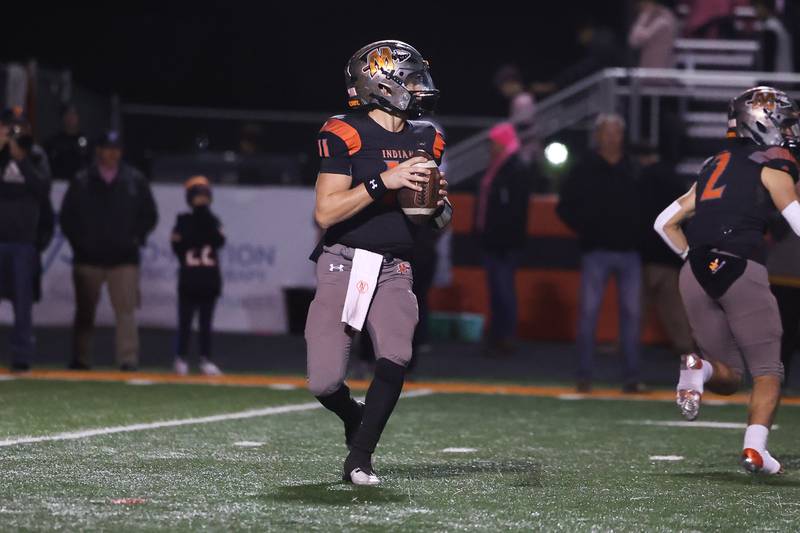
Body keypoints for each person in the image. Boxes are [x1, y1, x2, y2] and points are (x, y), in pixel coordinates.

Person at [306, 40, 450, 486]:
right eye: (407, 77)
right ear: (379, 83)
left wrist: (439, 207)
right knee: (324, 383)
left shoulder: (428, 135)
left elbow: (438, 218)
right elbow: (325, 213)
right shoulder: (344, 131)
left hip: (395, 265)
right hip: (343, 261)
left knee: (396, 353)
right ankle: (354, 416)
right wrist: (383, 180)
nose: (417, 86)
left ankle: (360, 457)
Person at [654, 86, 800, 474]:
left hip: (694, 271)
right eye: (785, 122)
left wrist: (694, 258)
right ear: (763, 122)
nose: (789, 130)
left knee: (730, 376)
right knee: (769, 371)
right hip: (739, 266)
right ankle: (755, 450)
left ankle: (697, 368)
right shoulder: (774, 163)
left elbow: (664, 223)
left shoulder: (712, 164)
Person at [557, 114, 642, 393]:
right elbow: (564, 205)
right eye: (607, 132)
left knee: (631, 315)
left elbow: (648, 204)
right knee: (589, 314)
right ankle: (584, 375)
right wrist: (586, 228)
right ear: (598, 135)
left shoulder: (633, 167)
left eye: (616, 132)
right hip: (596, 251)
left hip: (630, 251)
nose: (611, 137)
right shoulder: (584, 168)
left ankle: (631, 377)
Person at [60, 131, 158, 371]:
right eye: (108, 148)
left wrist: (135, 238)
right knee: (85, 312)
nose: (113, 153)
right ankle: (81, 358)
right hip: (88, 257)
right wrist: (80, 243)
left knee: (126, 311)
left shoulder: (135, 179)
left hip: (124, 258)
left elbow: (150, 215)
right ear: (98, 151)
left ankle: (128, 359)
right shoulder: (82, 179)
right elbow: (67, 217)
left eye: (116, 148)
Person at [0, 108, 50, 371]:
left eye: (20, 128)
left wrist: (22, 160)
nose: (15, 132)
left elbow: (43, 189)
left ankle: (21, 356)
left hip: (23, 242)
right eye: (11, 127)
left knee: (22, 303)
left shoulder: (37, 155)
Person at [635, 143, 694, 357]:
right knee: (675, 312)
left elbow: (638, 217)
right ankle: (688, 354)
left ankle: (627, 351)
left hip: (645, 255)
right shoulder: (675, 180)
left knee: (636, 310)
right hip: (670, 255)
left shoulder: (641, 180)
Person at [476, 123, 530, 357]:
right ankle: (498, 335)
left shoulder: (514, 168)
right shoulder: (499, 167)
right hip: (494, 241)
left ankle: (506, 335)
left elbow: (514, 210)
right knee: (497, 290)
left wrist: (501, 237)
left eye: (495, 141)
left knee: (504, 290)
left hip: (504, 243)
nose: (492, 146)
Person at [171, 176, 225, 376]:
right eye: (198, 195)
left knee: (205, 322)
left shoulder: (212, 220)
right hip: (189, 278)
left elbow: (217, 241)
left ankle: (205, 358)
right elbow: (178, 246)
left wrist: (199, 227)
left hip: (209, 279)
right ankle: (181, 358)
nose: (201, 199)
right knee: (185, 321)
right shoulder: (183, 220)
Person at [767, 219, 800, 392]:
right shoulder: (782, 204)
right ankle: (774, 383)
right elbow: (774, 231)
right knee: (781, 336)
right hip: (783, 279)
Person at [493, 66, 538, 164]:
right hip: (524, 152)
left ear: (510, 83)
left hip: (531, 152)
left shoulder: (523, 100)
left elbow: (525, 125)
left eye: (503, 87)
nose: (502, 91)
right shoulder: (517, 100)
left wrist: (504, 133)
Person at [45, 104, 91, 181]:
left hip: (80, 184)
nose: (71, 118)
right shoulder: (53, 141)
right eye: (68, 114)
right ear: (63, 118)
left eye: (74, 114)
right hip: (57, 182)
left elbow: (90, 162)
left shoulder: (85, 140)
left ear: (78, 117)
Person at [628, 0, 678, 69]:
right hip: (646, 71)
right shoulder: (649, 17)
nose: (640, 6)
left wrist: (643, 17)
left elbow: (644, 36)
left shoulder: (665, 18)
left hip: (660, 72)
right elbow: (633, 41)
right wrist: (643, 17)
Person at [754, 0, 794, 73]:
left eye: (758, 8)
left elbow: (768, 60)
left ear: (766, 8)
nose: (756, 12)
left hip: (777, 77)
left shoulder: (771, 28)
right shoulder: (777, 25)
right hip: (782, 74)